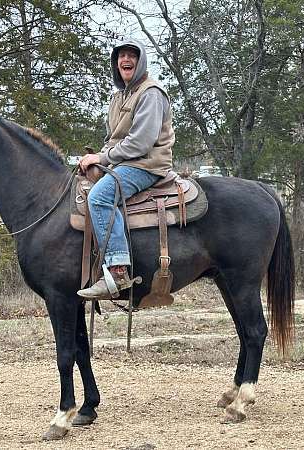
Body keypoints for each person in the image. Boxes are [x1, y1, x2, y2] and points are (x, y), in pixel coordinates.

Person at [77, 38, 175, 299]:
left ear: (141, 60)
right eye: (121, 56)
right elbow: (114, 138)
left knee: (99, 197)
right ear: (116, 62)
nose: (126, 60)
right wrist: (96, 159)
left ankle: (117, 272)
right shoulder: (120, 96)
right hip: (123, 162)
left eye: (132, 55)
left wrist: (102, 157)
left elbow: (140, 143)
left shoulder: (151, 93)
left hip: (145, 164)